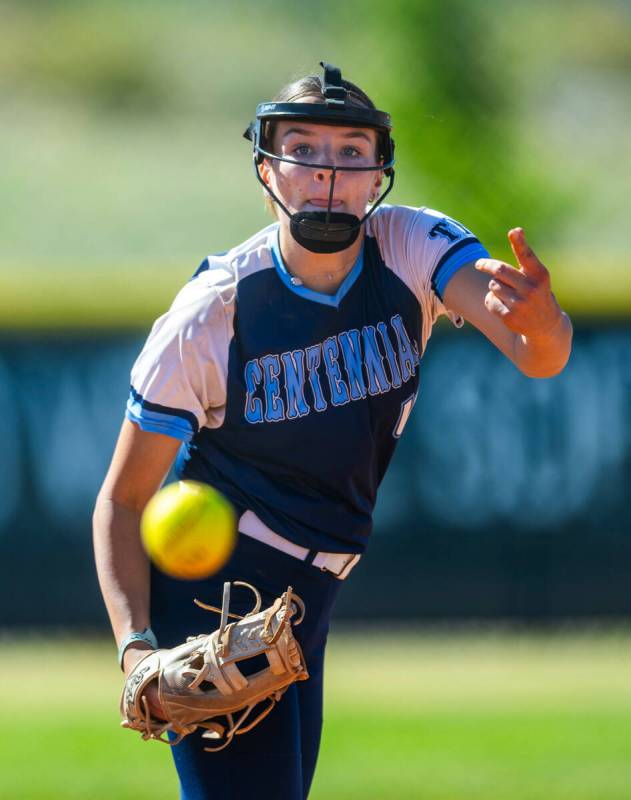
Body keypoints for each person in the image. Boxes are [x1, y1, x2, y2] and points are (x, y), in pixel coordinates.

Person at [93, 62, 573, 799]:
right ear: (266, 169)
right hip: (219, 596)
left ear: (378, 170)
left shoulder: (407, 245)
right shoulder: (213, 312)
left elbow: (537, 355)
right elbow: (124, 499)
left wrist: (542, 322)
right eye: (304, 149)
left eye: (351, 152)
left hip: (312, 593)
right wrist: (135, 650)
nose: (327, 174)